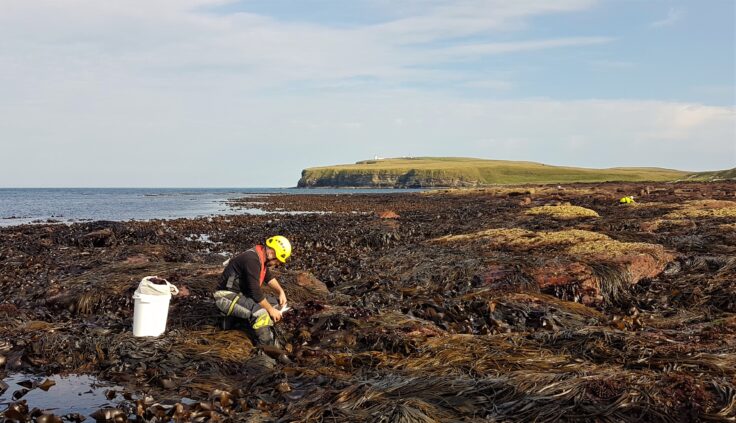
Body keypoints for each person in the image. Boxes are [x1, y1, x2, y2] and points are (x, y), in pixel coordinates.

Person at [213, 235, 292, 348]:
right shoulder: (252, 260)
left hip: (241, 295)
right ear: (271, 253)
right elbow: (255, 292)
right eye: (278, 261)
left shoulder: (261, 258)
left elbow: (268, 277)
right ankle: (265, 348)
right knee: (261, 313)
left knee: (277, 304)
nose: (277, 264)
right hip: (226, 296)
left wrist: (281, 291)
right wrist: (269, 309)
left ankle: (238, 320)